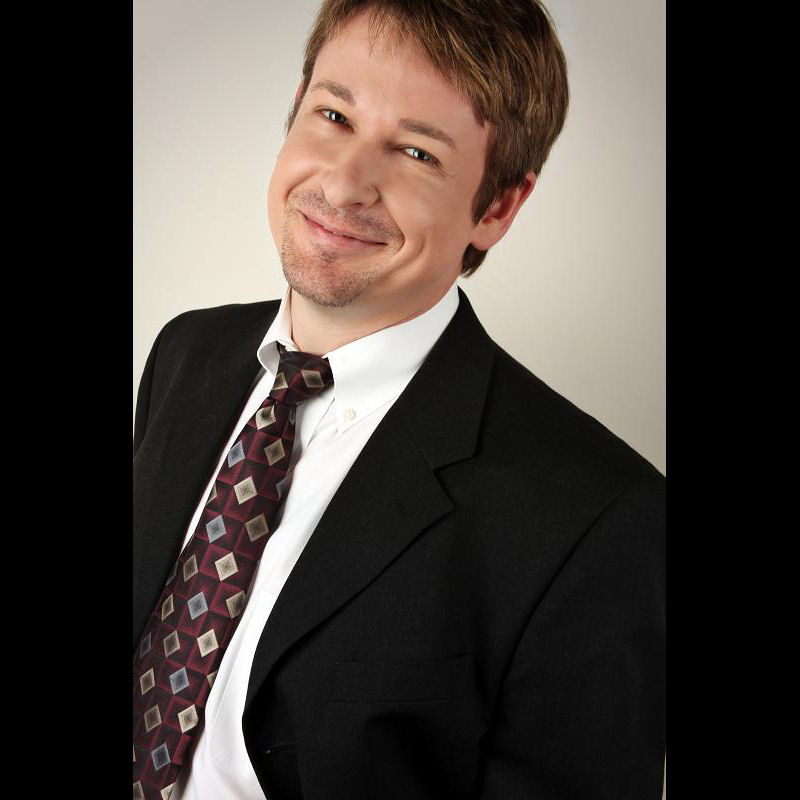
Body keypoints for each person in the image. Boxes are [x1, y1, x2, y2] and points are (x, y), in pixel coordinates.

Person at [133, 1, 665, 798]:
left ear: (497, 207)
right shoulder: (185, 352)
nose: (344, 183)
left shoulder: (599, 522)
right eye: (334, 116)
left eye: (416, 151)